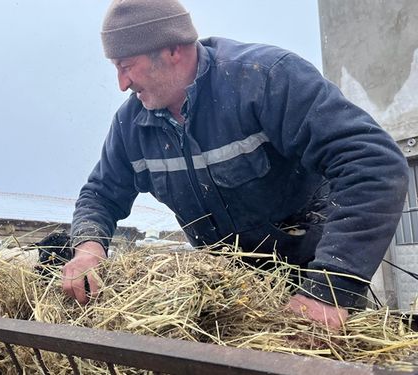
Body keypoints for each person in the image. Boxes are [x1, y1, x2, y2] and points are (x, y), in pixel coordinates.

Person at [62, 0, 409, 329]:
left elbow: (373, 162)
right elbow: (100, 194)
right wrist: (89, 248)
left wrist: (331, 288)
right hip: (230, 300)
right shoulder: (131, 126)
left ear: (172, 50)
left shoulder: (265, 79)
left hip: (312, 291)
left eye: (126, 66)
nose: (122, 84)